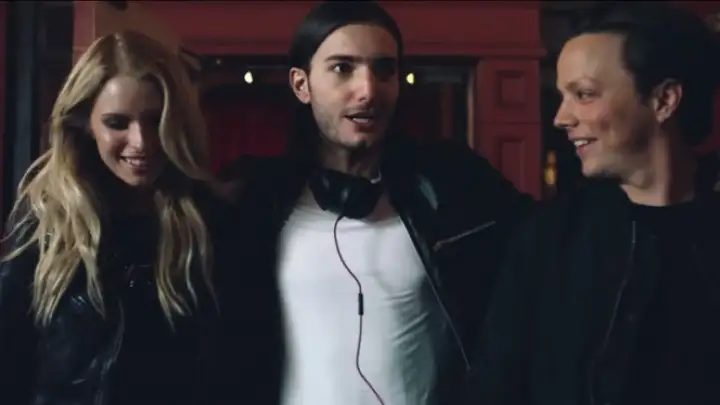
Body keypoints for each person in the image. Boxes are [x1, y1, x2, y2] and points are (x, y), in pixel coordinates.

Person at [221, 2, 536, 405]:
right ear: (302, 85)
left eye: (384, 70)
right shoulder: (254, 200)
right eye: (343, 68)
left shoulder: (451, 186)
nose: (368, 90)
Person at [464, 2, 720, 404]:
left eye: (584, 95)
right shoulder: (546, 240)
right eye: (564, 96)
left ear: (664, 100)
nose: (561, 118)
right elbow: (492, 388)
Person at [0, 31, 230, 405]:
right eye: (117, 122)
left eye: (155, 120)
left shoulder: (211, 224)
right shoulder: (45, 226)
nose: (141, 141)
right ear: (85, 124)